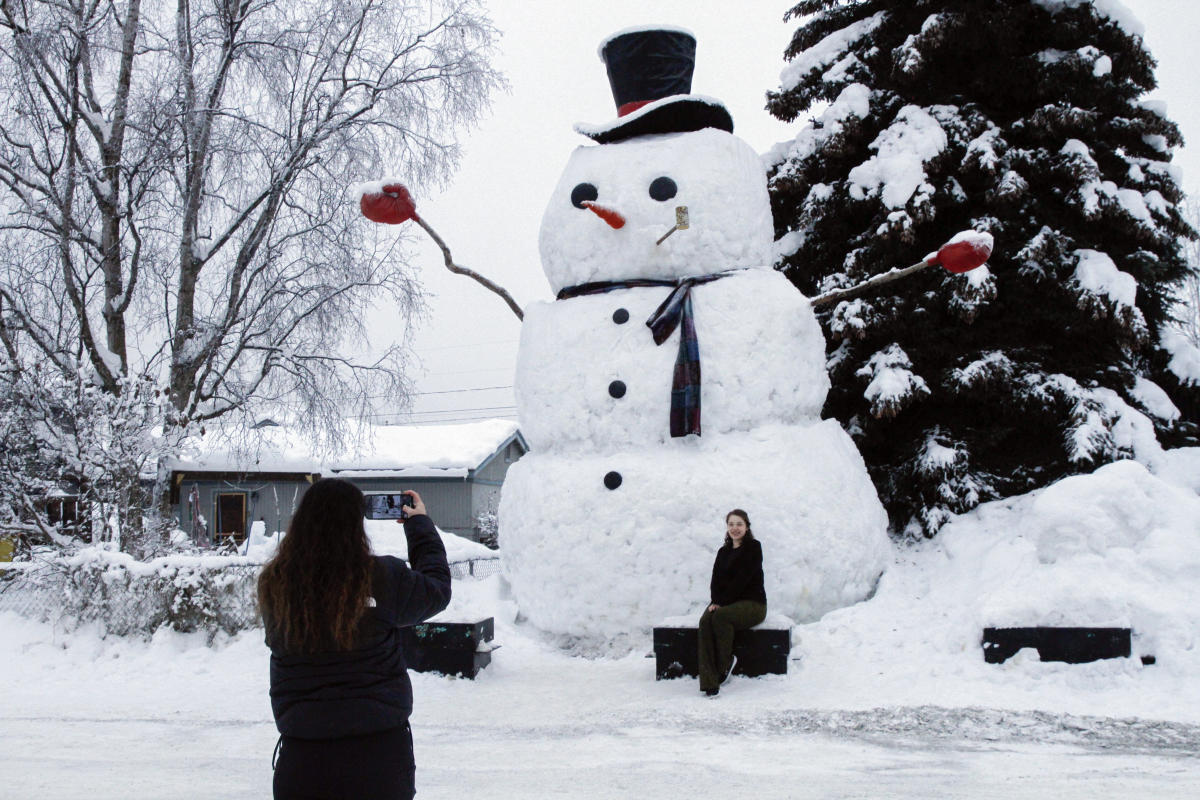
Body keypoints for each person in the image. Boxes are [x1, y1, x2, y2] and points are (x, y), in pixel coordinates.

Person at [258, 478, 450, 799]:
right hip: (379, 758)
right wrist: (418, 525)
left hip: (303, 760)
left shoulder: (276, 583)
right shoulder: (382, 578)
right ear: (355, 524)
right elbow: (437, 589)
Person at [698, 508, 766, 696]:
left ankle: (725, 664)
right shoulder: (723, 552)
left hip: (752, 604)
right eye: (731, 524)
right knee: (705, 621)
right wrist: (715, 600)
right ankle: (709, 682)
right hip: (724, 601)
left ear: (746, 527)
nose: (735, 528)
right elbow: (715, 580)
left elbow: (742, 580)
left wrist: (721, 602)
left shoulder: (753, 547)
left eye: (739, 524)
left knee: (720, 617)